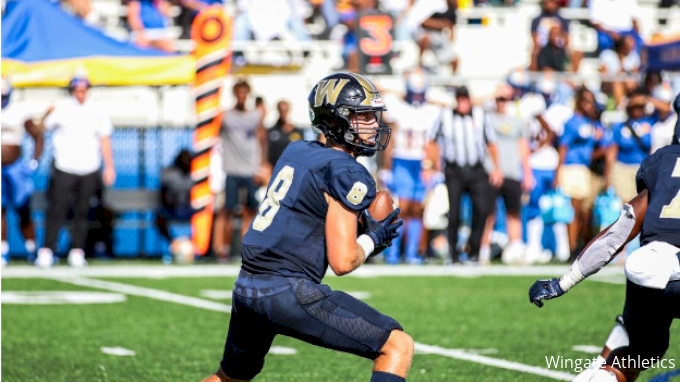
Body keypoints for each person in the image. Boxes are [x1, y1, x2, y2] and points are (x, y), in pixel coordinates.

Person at [201, 72, 414, 382]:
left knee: (228, 378)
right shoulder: (346, 171)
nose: (372, 123)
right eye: (362, 115)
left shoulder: (297, 151)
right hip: (288, 290)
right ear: (336, 120)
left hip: (247, 286)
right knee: (397, 345)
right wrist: (373, 237)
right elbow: (343, 261)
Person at [528, 93, 680, 382]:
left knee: (641, 352)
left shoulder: (661, 162)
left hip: (647, 266)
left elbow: (620, 231)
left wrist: (563, 283)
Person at [36, 77, 116, 268]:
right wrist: (46, 113)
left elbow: (105, 138)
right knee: (57, 209)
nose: (80, 92)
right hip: (65, 166)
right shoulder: (62, 107)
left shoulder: (97, 109)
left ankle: (77, 250)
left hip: (89, 167)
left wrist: (110, 166)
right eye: (76, 89)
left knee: (83, 211)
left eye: (83, 89)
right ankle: (48, 249)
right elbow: (40, 129)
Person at [426, 86, 503, 264]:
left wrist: (496, 168)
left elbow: (491, 142)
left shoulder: (480, 115)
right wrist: (430, 164)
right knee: (454, 213)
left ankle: (473, 250)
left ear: (469, 100)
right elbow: (432, 140)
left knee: (482, 209)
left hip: (477, 169)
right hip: (454, 170)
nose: (462, 103)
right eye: (459, 99)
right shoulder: (444, 116)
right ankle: (453, 254)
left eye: (465, 99)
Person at [379, 68, 441, 265]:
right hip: (401, 159)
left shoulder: (431, 110)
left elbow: (433, 143)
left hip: (421, 162)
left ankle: (412, 251)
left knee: (417, 209)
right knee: (401, 208)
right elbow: (389, 139)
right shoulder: (397, 106)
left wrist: (433, 167)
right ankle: (393, 252)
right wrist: (386, 167)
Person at [217, 79, 267, 260]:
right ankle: (224, 249)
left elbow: (262, 139)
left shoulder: (254, 116)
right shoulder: (225, 116)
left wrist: (262, 166)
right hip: (232, 170)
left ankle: (248, 249)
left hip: (250, 170)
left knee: (251, 212)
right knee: (228, 211)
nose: (241, 96)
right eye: (239, 92)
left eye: (244, 93)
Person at [1, 78, 44, 266]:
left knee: (23, 209)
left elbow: (37, 135)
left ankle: (32, 248)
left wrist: (34, 162)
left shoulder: (18, 110)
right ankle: (2, 251)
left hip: (16, 167)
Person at [156, 149, 194, 243]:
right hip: (171, 209)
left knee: (205, 218)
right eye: (184, 159)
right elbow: (163, 196)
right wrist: (171, 203)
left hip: (187, 209)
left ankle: (195, 244)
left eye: (188, 159)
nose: (186, 162)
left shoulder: (194, 175)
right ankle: (173, 242)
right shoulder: (169, 175)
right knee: (159, 218)